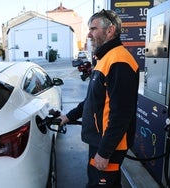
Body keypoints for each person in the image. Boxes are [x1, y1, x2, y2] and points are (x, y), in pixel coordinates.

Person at [58, 9, 139, 187]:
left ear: (110, 30)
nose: (89, 34)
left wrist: (104, 152)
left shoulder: (119, 61)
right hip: (100, 142)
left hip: (108, 145)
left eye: (93, 28)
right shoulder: (105, 59)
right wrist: (68, 117)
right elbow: (92, 101)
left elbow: (121, 114)